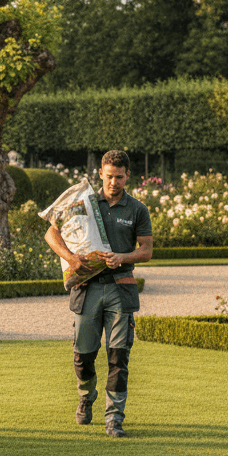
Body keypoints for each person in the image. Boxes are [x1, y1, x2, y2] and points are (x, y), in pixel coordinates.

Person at [44, 149, 153, 437]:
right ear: (100, 175)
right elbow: (51, 233)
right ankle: (85, 395)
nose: (114, 182)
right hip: (86, 287)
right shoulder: (85, 203)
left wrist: (123, 257)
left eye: (119, 177)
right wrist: (70, 258)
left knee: (119, 355)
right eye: (108, 177)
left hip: (120, 287)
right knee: (83, 355)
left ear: (128, 176)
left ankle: (114, 418)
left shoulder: (137, 209)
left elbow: (146, 250)